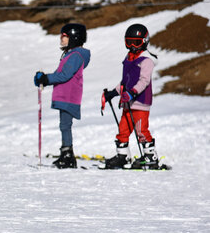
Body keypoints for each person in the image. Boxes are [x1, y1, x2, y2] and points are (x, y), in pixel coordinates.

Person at [102, 23, 159, 169]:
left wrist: (132, 92)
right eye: (129, 42)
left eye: (137, 42)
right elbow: (125, 82)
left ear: (144, 42)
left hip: (140, 102)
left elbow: (144, 81)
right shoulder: (129, 58)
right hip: (127, 102)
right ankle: (123, 156)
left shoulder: (146, 60)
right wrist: (113, 93)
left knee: (141, 130)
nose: (133, 46)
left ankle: (150, 156)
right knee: (123, 130)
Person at [33, 23, 91, 168]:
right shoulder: (71, 54)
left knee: (65, 125)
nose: (61, 38)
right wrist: (45, 79)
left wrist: (46, 79)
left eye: (64, 36)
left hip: (69, 95)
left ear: (74, 37)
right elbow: (62, 74)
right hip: (66, 94)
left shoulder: (76, 56)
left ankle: (67, 155)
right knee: (64, 125)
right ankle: (66, 153)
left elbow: (64, 75)